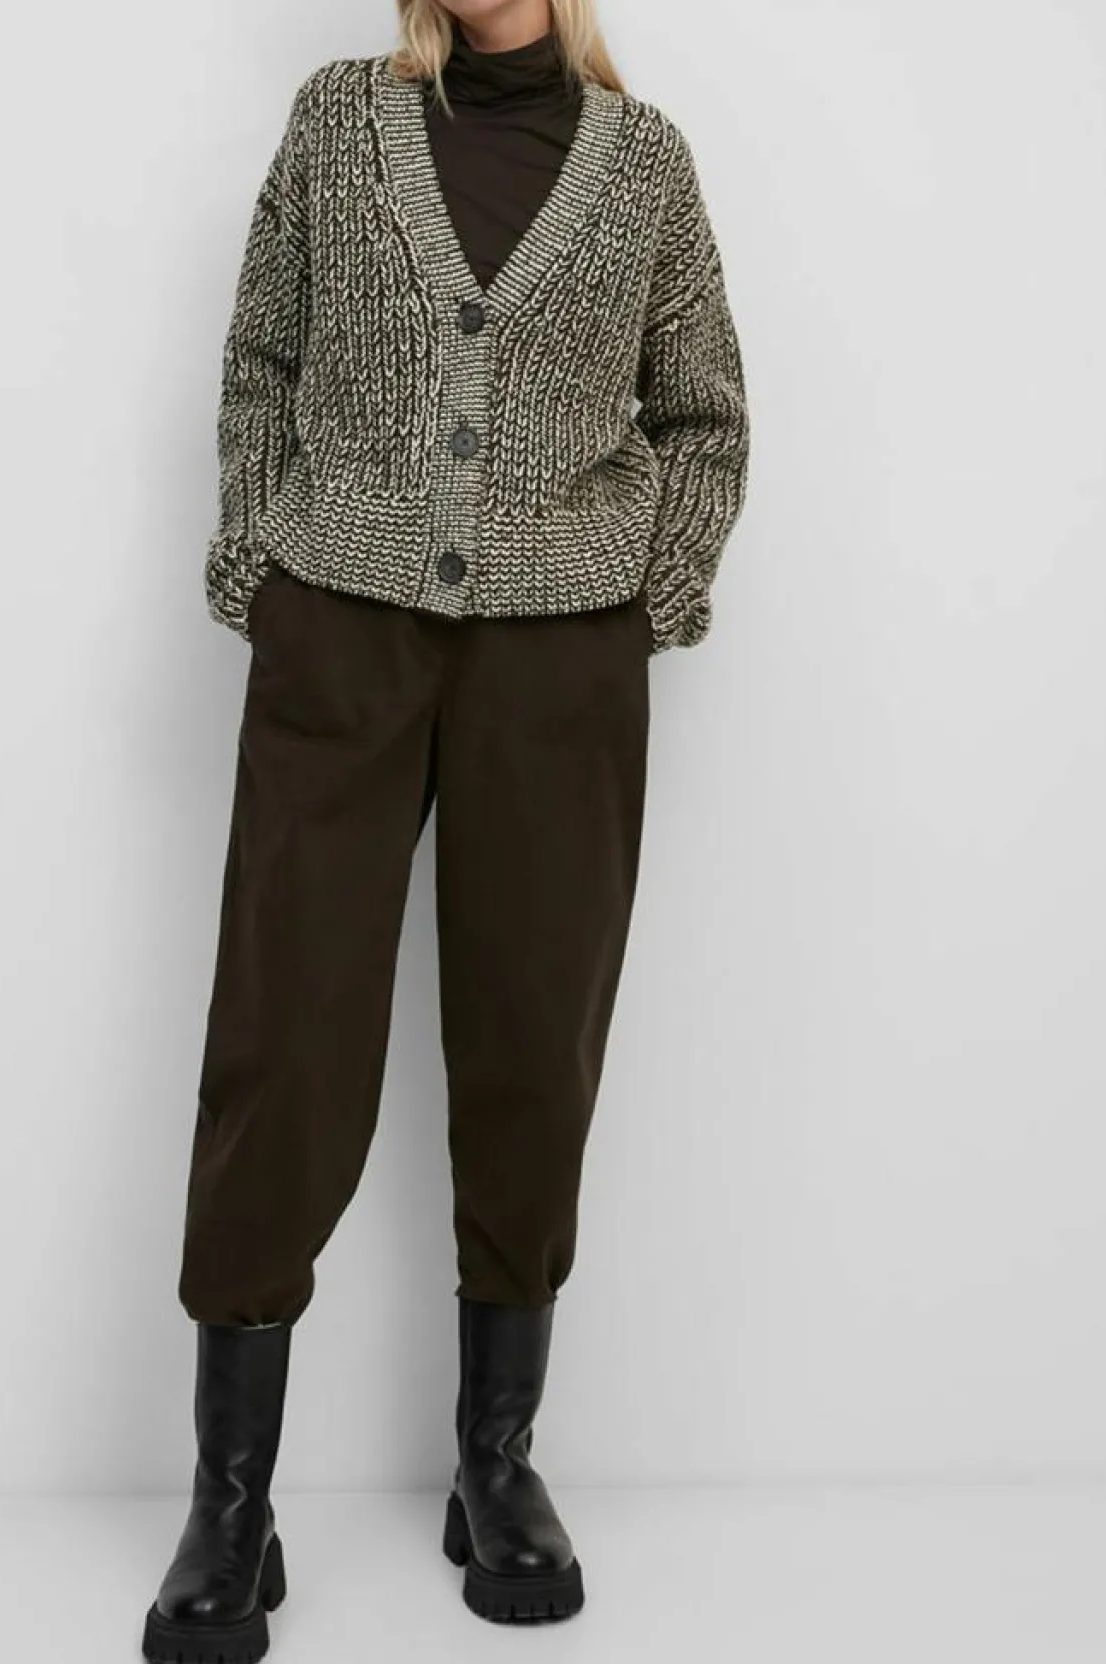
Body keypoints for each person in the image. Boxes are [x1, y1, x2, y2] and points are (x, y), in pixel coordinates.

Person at [142, 0, 749, 1657]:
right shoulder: (339, 121)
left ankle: (497, 1464)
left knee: (533, 1039)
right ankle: (231, 1499)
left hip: (562, 658)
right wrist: (259, 566)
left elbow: (702, 413)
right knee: (284, 1040)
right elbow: (262, 354)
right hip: (339, 630)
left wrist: (649, 599)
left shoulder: (645, 165)